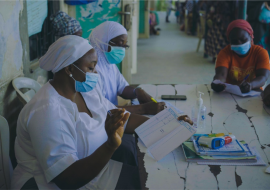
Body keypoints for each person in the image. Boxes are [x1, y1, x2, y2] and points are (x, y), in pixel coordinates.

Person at [11, 35, 149, 190]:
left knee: (144, 178)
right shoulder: (48, 111)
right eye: (91, 68)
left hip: (91, 169)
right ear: (69, 69)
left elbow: (121, 118)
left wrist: (164, 124)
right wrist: (110, 145)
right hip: (50, 183)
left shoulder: (84, 91)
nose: (95, 73)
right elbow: (67, 179)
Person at [89, 21, 165, 115]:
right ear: (102, 41)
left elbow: (122, 88)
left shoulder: (109, 64)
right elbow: (100, 109)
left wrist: (136, 91)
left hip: (113, 118)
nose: (121, 50)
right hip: (102, 120)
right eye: (119, 44)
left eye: (125, 46)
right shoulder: (91, 70)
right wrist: (143, 109)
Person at [211, 19, 270, 93]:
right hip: (230, 94)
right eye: (234, 41)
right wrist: (217, 82)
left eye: (243, 40)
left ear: (251, 37)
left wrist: (251, 85)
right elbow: (221, 75)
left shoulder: (261, 53)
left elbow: (263, 77)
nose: (239, 43)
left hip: (253, 92)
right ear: (229, 41)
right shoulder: (225, 53)